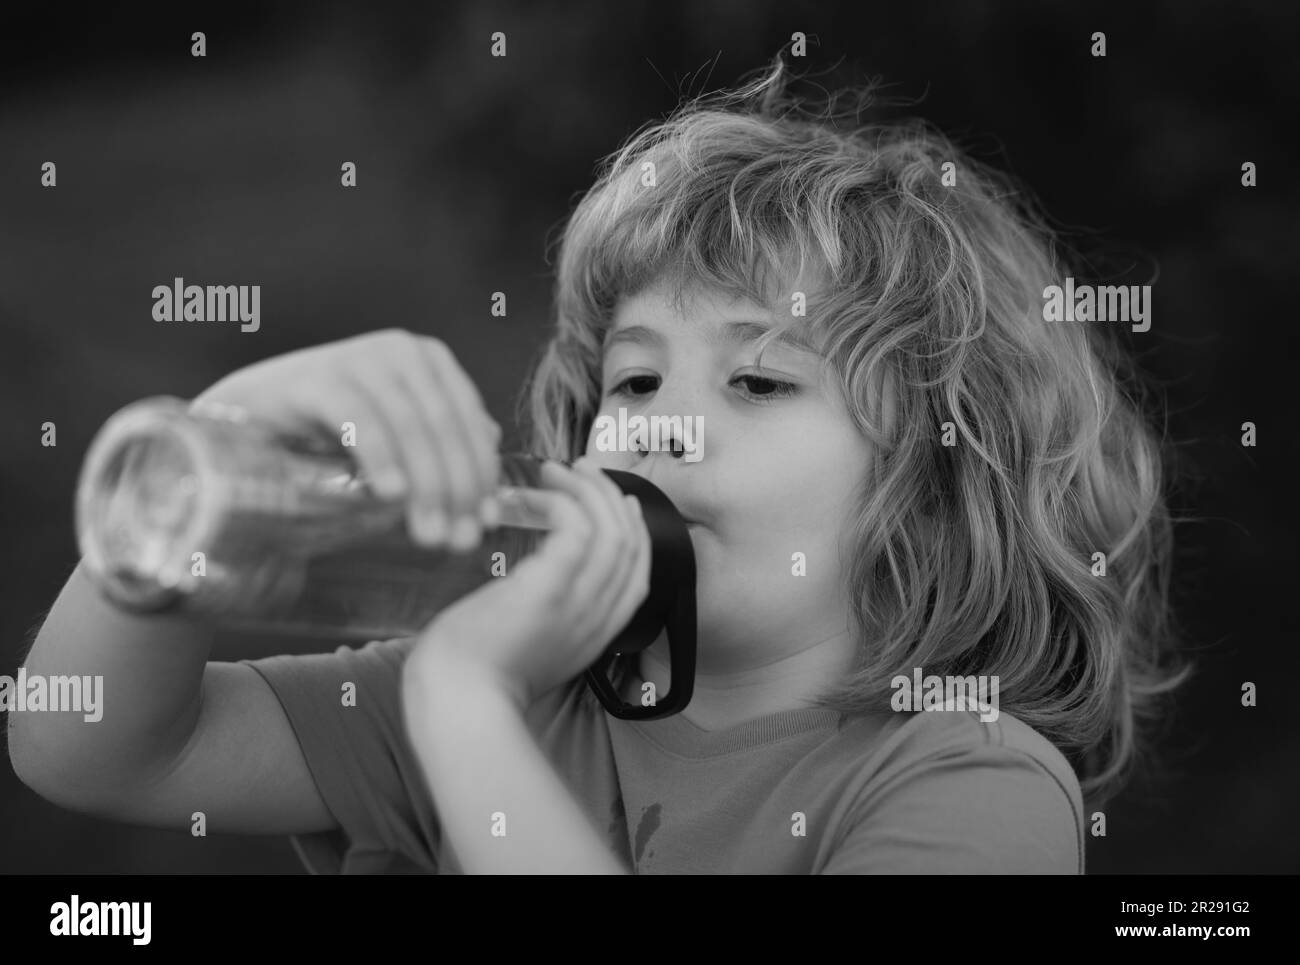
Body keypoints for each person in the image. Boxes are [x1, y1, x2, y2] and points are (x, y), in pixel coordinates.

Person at [9, 57, 1189, 874]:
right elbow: (92, 743)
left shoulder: (969, 775)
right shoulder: (516, 685)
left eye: (761, 380)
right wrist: (212, 451)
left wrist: (468, 713)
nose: (659, 428)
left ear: (941, 478)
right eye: (632, 380)